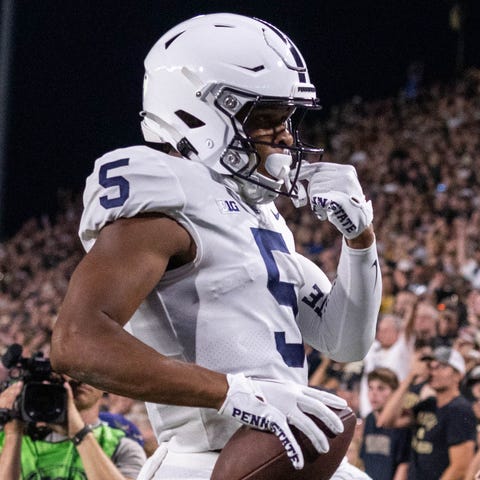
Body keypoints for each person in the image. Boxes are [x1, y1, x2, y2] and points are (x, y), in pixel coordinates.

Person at [50, 13, 382, 479]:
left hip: (281, 455)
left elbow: (346, 343)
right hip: (205, 462)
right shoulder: (167, 190)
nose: (284, 136)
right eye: (265, 119)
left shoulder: (259, 213)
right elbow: (75, 342)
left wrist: (360, 240)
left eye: (287, 119)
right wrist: (235, 393)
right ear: (197, 112)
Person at [0, 378, 146, 479]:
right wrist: (13, 434)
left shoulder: (122, 445)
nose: (80, 378)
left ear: (104, 386)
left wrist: (80, 433)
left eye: (91, 371)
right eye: (70, 370)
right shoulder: (7, 437)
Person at [377, 346, 476, 479]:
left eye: (441, 367)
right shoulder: (428, 404)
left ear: (458, 375)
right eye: (432, 367)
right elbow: (385, 421)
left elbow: (460, 467)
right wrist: (410, 377)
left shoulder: (460, 409)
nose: (433, 372)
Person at [359, 368, 411, 480]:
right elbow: (363, 460)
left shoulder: (402, 422)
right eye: (370, 388)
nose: (374, 394)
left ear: (395, 393)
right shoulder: (369, 419)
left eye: (381, 388)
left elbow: (404, 465)